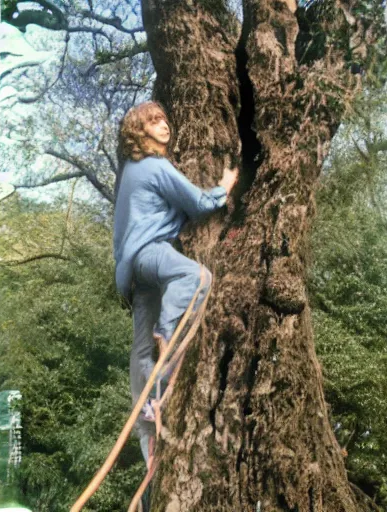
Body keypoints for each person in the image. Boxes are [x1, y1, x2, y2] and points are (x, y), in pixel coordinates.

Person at [113, 101, 238, 464]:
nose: (163, 126)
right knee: (196, 276)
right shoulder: (154, 166)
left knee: (139, 353)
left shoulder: (130, 173)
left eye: (165, 119)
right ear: (140, 131)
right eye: (154, 122)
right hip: (150, 254)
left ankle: (147, 432)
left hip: (132, 274)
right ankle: (167, 333)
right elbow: (198, 203)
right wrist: (224, 186)